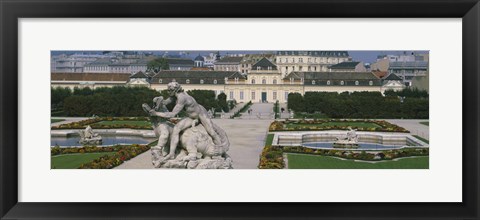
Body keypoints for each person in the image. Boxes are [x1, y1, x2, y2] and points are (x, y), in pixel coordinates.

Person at [149, 82, 222, 161]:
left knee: (212, 132)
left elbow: (172, 114)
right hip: (190, 117)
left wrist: (156, 113)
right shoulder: (174, 96)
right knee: (176, 129)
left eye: (170, 90)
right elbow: (165, 102)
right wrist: (158, 100)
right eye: (168, 90)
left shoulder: (181, 98)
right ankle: (171, 154)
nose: (168, 92)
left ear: (175, 90)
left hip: (200, 114)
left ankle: (221, 151)